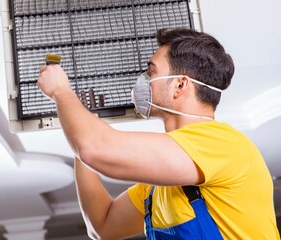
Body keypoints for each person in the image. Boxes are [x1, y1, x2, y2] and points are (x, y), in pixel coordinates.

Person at [38, 28, 280, 240]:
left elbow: (95, 149)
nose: (143, 80)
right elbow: (102, 227)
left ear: (180, 85)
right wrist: (84, 123)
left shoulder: (224, 144)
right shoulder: (155, 187)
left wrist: (61, 92)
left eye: (150, 71)